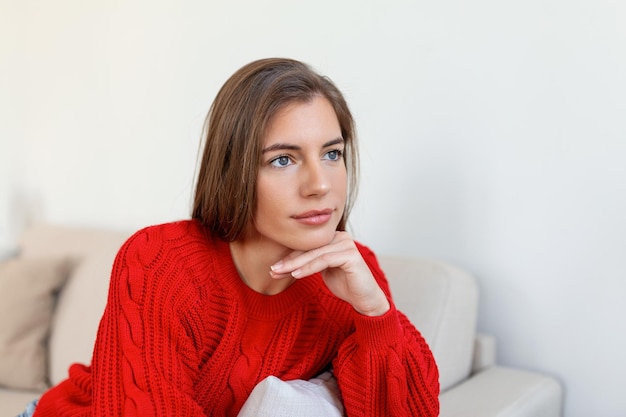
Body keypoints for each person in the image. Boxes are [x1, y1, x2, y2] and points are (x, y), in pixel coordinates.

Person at [24, 58, 439, 417]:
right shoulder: (161, 261)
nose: (320, 185)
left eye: (332, 153)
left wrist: (375, 314)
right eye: (282, 159)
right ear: (234, 170)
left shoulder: (352, 275)